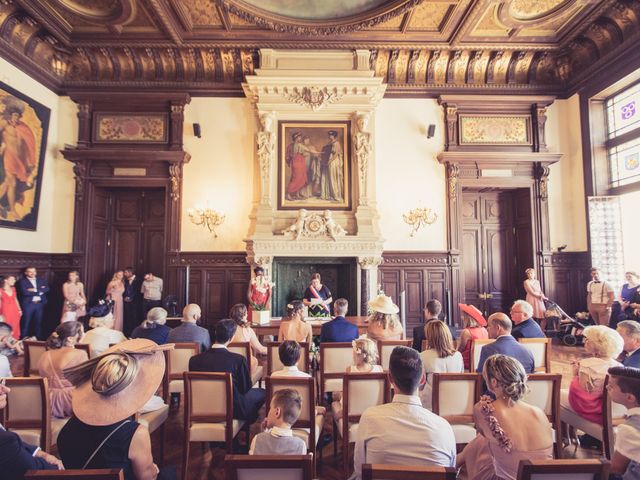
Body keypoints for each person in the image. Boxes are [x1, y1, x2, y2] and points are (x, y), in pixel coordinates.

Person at [57, 338, 174, 479]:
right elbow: (147, 477)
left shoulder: (66, 432)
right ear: (131, 390)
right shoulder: (135, 434)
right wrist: (153, 470)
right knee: (170, 473)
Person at [352, 346, 456, 479]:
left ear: (390, 378)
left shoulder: (369, 418)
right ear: (422, 379)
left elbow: (360, 473)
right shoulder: (444, 428)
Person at [458, 354, 553, 480]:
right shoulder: (539, 413)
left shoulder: (484, 410)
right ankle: (456, 462)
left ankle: (453, 464)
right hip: (541, 477)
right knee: (483, 441)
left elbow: (484, 435)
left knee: (481, 442)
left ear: (493, 382)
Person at [189, 319, 266, 423]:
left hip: (202, 407)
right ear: (232, 338)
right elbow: (245, 388)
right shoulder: (238, 360)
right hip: (233, 410)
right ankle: (243, 425)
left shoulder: (194, 360)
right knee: (263, 393)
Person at [561, 325, 623, 425]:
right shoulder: (619, 365)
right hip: (613, 407)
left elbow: (582, 394)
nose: (585, 342)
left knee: (558, 395)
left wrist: (575, 375)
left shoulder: (587, 365)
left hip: (592, 409)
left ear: (596, 345)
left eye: (587, 340)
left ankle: (565, 435)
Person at [0, 381, 64, 478]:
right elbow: (37, 471)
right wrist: (59, 469)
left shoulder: (7, 440)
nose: (7, 389)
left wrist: (40, 454)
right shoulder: (6, 442)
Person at [38, 321, 88, 418]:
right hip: (69, 401)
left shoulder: (45, 355)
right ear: (70, 338)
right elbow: (85, 381)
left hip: (45, 400)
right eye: (82, 332)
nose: (84, 334)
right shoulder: (80, 354)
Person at [332, 337, 382, 417]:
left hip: (353, 409)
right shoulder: (379, 369)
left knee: (336, 394)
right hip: (374, 408)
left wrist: (343, 410)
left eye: (354, 354)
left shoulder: (350, 369)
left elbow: (347, 394)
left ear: (360, 356)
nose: (352, 357)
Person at [420, 321, 464, 410]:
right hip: (454, 403)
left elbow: (420, 384)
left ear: (430, 337)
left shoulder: (423, 356)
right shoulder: (458, 356)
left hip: (430, 406)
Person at [249, 388, 307, 455]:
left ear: (277, 412)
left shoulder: (257, 440)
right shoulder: (300, 446)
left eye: (270, 408)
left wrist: (262, 434)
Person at [606, 366, 640, 479]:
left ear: (630, 397)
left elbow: (617, 468)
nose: (606, 387)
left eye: (611, 386)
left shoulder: (629, 429)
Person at [229, 303, 267, 370]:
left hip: (229, 365)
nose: (247, 315)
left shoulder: (227, 329)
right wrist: (273, 350)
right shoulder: (247, 330)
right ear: (243, 315)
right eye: (246, 313)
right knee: (255, 360)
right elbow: (260, 349)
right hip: (245, 366)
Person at [17, 266, 49, 339]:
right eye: (30, 271)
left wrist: (34, 290)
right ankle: (23, 340)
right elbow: (25, 293)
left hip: (40, 304)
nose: (33, 273)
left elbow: (47, 289)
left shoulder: (41, 279)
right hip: (28, 305)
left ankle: (38, 340)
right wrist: (40, 291)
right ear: (26, 273)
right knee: (26, 323)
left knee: (38, 323)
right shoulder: (22, 281)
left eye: (34, 271)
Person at [457, 303, 488, 370]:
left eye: (463, 315)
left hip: (466, 365)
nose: (461, 317)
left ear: (468, 317)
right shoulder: (484, 330)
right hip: (480, 363)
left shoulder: (466, 332)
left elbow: (459, 350)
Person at [123, 267, 143, 337]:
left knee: (135, 317)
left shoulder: (139, 280)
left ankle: (135, 333)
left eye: (126, 272)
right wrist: (124, 297)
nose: (124, 274)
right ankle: (127, 333)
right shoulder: (125, 280)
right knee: (127, 317)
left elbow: (139, 292)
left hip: (136, 302)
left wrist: (131, 298)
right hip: (126, 302)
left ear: (130, 273)